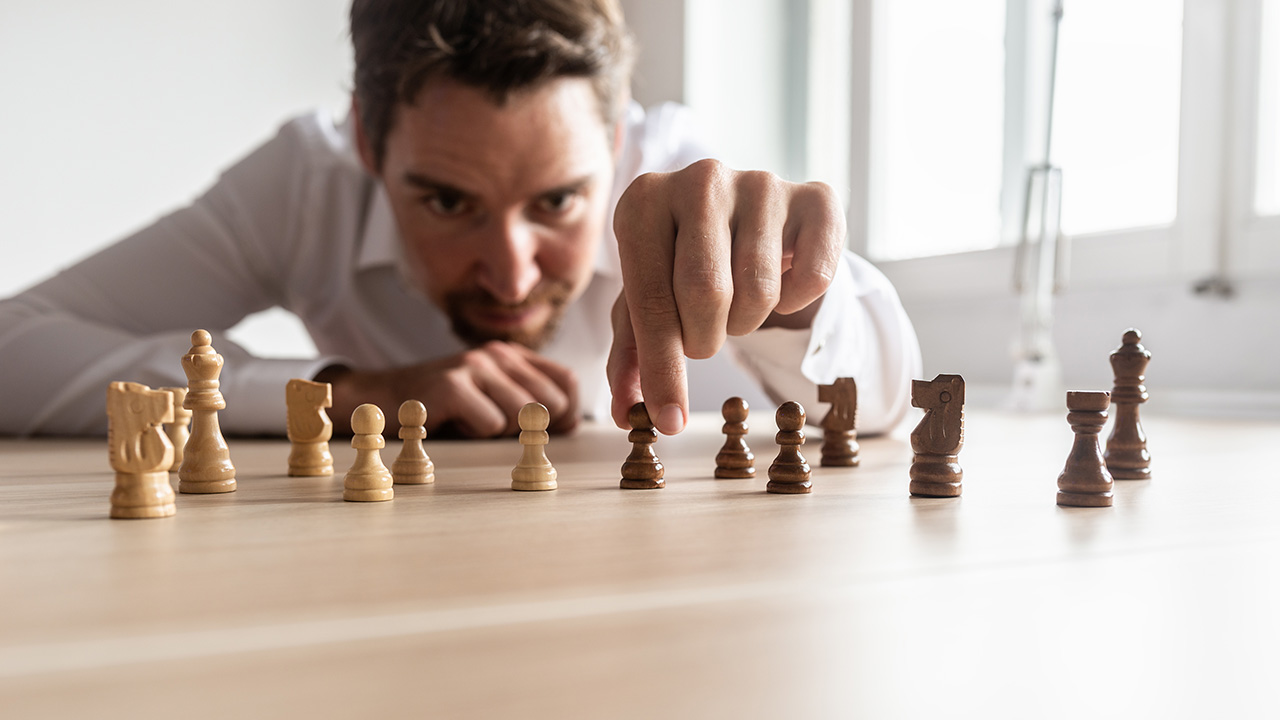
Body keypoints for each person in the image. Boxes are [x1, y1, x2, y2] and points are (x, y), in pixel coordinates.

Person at [0, 0, 921, 438]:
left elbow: (886, 400)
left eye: (558, 200)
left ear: (615, 135)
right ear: (365, 140)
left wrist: (799, 298)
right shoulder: (303, 181)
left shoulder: (673, 169)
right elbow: (12, 346)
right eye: (447, 201)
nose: (512, 277)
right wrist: (340, 390)